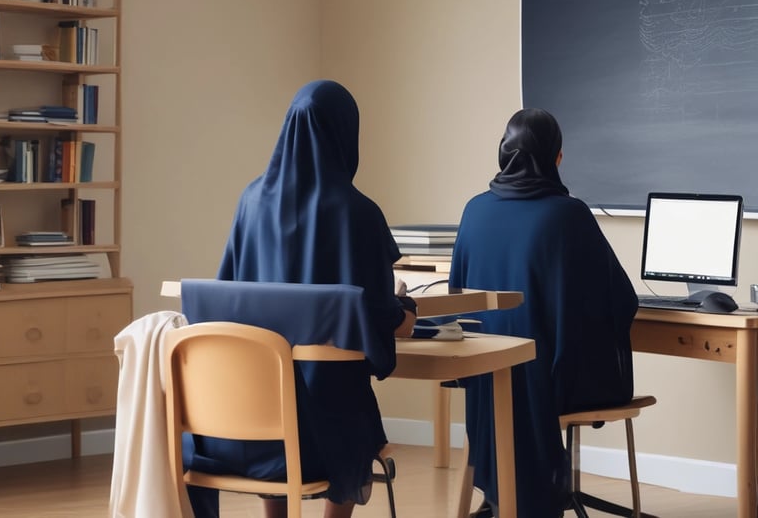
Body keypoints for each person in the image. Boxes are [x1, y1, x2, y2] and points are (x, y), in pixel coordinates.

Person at [182, 79, 416, 518]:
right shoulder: (359, 213)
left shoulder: (250, 201)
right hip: (325, 436)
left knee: (284, 386)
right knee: (344, 397)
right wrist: (407, 309)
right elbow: (383, 322)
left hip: (245, 425)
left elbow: (228, 297)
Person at [449, 108, 638, 517]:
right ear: (556, 157)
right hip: (551, 383)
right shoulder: (568, 214)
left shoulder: (473, 210)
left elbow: (456, 298)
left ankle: (500, 495)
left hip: (484, 383)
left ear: (504, 152)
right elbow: (621, 299)